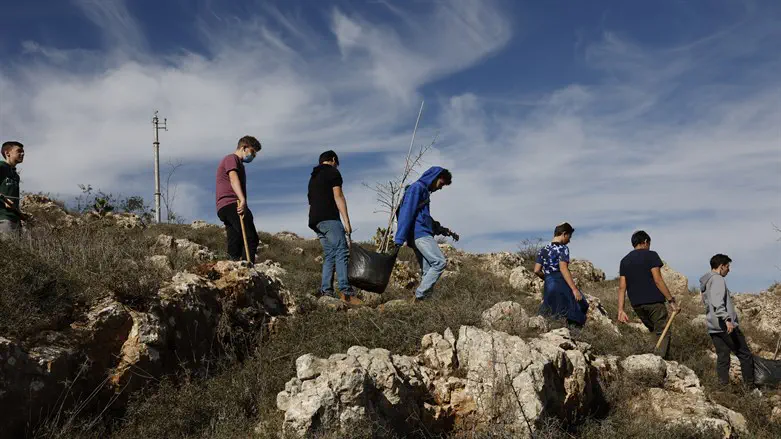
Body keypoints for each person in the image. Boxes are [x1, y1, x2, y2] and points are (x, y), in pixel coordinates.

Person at [394, 166, 458, 302]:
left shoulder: (423, 191)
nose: (440, 188)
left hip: (419, 234)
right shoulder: (417, 188)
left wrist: (442, 230)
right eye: (441, 184)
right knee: (439, 262)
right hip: (420, 235)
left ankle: (423, 304)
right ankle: (419, 296)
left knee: (428, 270)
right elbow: (407, 213)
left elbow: (423, 217)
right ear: (434, 177)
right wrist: (399, 238)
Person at [307, 150, 361, 305]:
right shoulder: (332, 172)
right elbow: (338, 196)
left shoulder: (313, 177)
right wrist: (347, 222)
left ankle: (326, 292)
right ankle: (346, 293)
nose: (337, 166)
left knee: (330, 254)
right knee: (342, 251)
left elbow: (310, 202)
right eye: (337, 163)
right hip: (329, 218)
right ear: (333, 160)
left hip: (315, 220)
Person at [617, 230, 679, 359]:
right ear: (645, 242)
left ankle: (652, 358)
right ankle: (660, 361)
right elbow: (658, 279)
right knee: (663, 331)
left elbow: (622, 287)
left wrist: (621, 310)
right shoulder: (651, 255)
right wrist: (671, 300)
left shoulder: (624, 261)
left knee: (653, 331)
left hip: (637, 304)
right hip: (654, 301)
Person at [701, 254, 756, 389]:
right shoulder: (717, 279)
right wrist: (727, 319)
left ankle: (722, 388)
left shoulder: (706, 282)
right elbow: (717, 302)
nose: (729, 270)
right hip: (725, 325)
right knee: (745, 355)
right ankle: (750, 389)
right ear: (721, 266)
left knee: (723, 357)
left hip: (713, 327)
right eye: (727, 267)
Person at [215, 136, 261, 263]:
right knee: (250, 238)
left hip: (223, 206)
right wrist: (242, 200)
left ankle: (233, 269)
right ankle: (248, 272)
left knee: (235, 240)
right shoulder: (232, 159)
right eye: (252, 152)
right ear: (244, 147)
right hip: (233, 203)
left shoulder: (237, 163)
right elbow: (233, 178)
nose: (253, 156)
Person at [533, 222, 587, 326]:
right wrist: (575, 289)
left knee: (551, 313)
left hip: (549, 284)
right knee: (580, 306)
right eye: (569, 237)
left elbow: (536, 270)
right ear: (564, 234)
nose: (569, 240)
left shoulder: (543, 250)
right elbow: (563, 268)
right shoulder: (563, 248)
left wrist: (547, 278)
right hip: (561, 283)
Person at [0, 141, 27, 238]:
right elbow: (6, 200)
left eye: (23, 152)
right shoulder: (1, 166)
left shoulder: (16, 176)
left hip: (16, 221)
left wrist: (21, 215)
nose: (23, 154)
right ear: (7, 153)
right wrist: (4, 200)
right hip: (3, 218)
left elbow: (14, 201)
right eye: (19, 151)